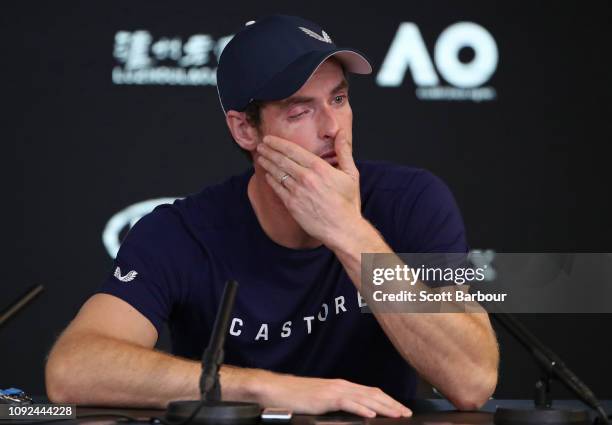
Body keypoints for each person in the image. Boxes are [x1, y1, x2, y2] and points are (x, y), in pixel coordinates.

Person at [45, 15, 498, 418]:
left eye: (338, 99)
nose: (331, 128)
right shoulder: (182, 231)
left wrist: (348, 232)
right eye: (301, 110)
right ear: (245, 129)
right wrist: (264, 388)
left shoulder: (410, 201)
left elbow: (472, 380)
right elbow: (74, 368)